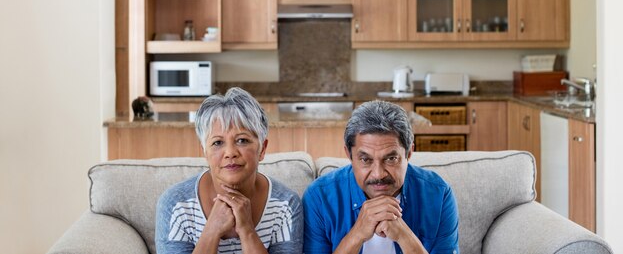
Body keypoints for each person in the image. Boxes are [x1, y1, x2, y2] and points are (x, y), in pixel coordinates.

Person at [156, 87, 303, 254]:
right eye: (218, 143)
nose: (230, 152)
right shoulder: (176, 204)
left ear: (262, 149)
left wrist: (247, 231)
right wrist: (212, 231)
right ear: (205, 152)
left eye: (242, 140)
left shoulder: (285, 204)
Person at [302, 100, 459, 254]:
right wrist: (357, 235)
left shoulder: (439, 195)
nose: (378, 174)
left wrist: (405, 237)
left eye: (391, 159)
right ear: (349, 154)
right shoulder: (319, 197)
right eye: (365, 160)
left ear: (409, 153)